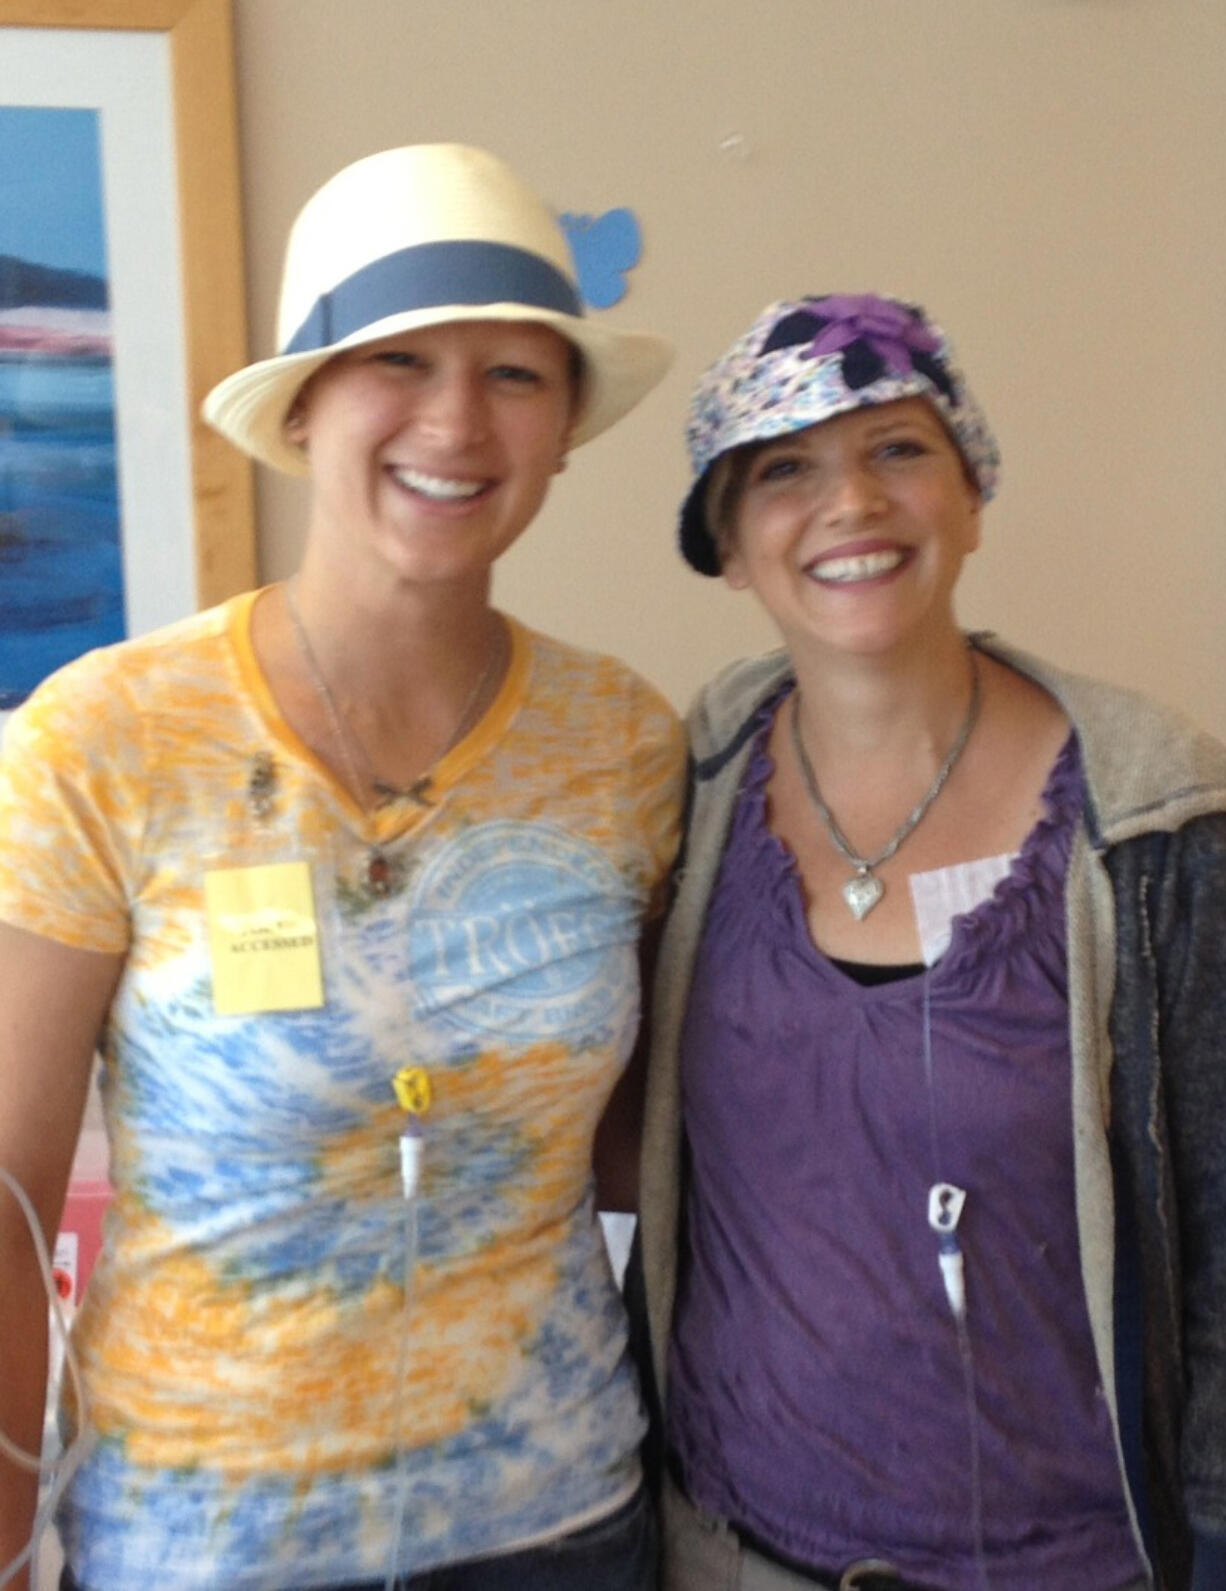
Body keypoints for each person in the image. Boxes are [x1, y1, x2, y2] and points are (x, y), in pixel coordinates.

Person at [0, 143, 686, 1591]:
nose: (457, 418)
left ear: (564, 427)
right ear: (304, 403)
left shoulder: (621, 739)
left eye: (515, 374)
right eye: (398, 361)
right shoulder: (106, 736)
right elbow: (5, 1191)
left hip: (559, 1519)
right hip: (205, 1539)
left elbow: (654, 1133)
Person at [634, 293, 1226, 1591]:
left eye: (896, 448)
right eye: (782, 469)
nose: (848, 502)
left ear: (969, 489)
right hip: (731, 1555)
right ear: (725, 544)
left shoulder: (1155, 814)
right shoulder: (687, 786)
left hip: (1076, 1564)